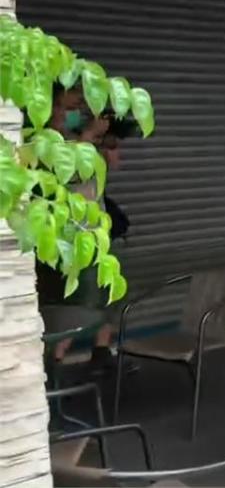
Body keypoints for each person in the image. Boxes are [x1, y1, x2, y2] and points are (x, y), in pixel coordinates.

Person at [38, 84, 135, 374]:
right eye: (69, 108)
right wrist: (89, 135)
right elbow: (67, 174)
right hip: (71, 240)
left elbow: (109, 166)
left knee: (105, 297)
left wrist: (106, 139)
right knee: (72, 305)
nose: (74, 114)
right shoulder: (44, 143)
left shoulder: (76, 139)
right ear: (50, 108)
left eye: (78, 109)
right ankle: (51, 363)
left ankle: (100, 352)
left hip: (96, 235)